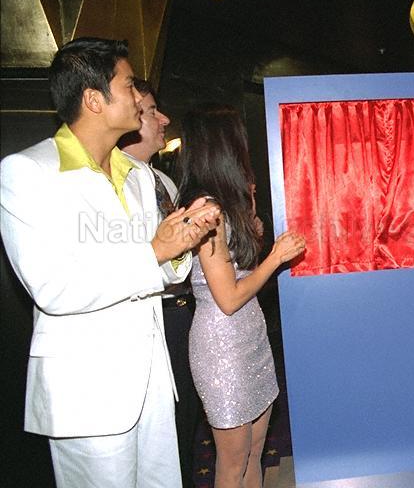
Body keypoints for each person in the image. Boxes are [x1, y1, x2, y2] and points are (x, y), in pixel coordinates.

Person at [0, 37, 220, 487]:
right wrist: (155, 251)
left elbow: (152, 270)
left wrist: (181, 245)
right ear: (93, 99)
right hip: (86, 392)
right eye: (127, 85)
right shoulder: (28, 173)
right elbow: (54, 288)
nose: (139, 98)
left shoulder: (136, 176)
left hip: (152, 388)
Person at [175, 103, 306, 488]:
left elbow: (241, 269)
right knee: (231, 464)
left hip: (249, 336)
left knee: (255, 449)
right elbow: (228, 298)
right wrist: (276, 258)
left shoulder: (225, 204)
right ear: (225, 148)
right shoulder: (205, 210)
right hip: (222, 347)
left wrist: (252, 222)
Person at [118, 78, 202, 488]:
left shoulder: (163, 182)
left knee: (183, 426)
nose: (163, 119)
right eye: (152, 111)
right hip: (149, 319)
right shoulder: (114, 182)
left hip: (182, 314)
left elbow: (179, 264)